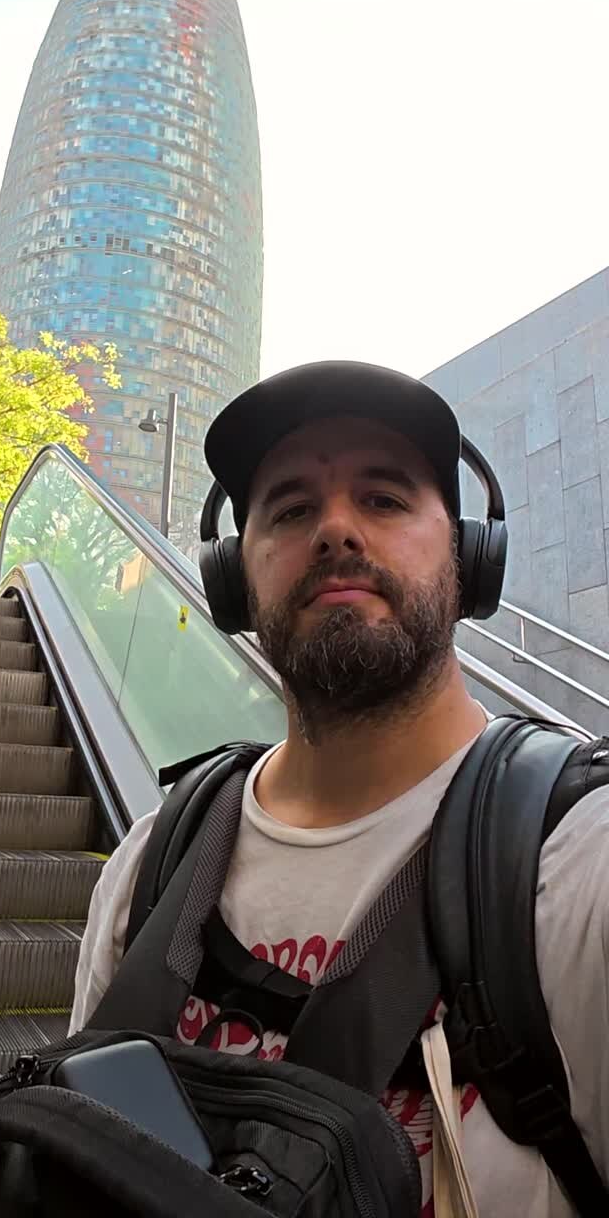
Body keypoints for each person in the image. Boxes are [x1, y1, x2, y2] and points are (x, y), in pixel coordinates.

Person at [70, 360, 609, 1217]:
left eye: (385, 500)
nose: (335, 531)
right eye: (289, 510)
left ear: (471, 561)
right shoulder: (147, 867)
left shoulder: (580, 863)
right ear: (234, 580)